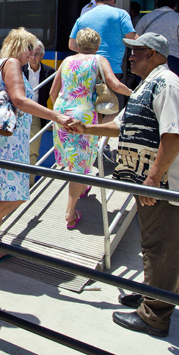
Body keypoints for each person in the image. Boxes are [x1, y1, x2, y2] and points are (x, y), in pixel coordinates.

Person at [71, 32, 179, 338]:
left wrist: (151, 181)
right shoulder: (148, 84)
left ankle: (155, 316)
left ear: (153, 54)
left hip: (164, 187)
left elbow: (172, 136)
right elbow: (121, 126)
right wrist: (86, 128)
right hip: (151, 184)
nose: (130, 57)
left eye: (136, 52)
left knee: (161, 248)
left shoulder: (167, 85)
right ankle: (150, 294)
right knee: (151, 244)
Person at [0, 29, 71, 265]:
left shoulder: (0, 63)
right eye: (30, 48)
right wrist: (56, 116)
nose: (33, 54)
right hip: (8, 145)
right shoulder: (12, 63)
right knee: (19, 195)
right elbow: (20, 100)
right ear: (21, 47)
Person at [50, 28, 131, 228]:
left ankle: (84, 185)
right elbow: (114, 84)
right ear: (97, 45)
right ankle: (70, 213)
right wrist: (134, 93)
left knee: (75, 157)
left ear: (78, 44)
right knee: (79, 164)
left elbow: (53, 91)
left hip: (61, 112)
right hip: (83, 115)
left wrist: (61, 110)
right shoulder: (98, 60)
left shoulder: (66, 61)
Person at [69, 0, 136, 108]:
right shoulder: (121, 14)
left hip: (87, 70)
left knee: (91, 109)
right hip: (112, 71)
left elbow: (72, 45)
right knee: (112, 110)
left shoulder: (83, 17)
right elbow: (132, 39)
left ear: (95, 0)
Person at [136, 0, 179, 80]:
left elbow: (136, 37)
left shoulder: (146, 17)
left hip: (147, 57)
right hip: (172, 59)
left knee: (146, 86)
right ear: (174, 4)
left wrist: (135, 54)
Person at [23, 40, 56, 166]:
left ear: (42, 55)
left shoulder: (50, 73)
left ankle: (30, 178)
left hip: (36, 115)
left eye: (36, 54)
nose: (33, 58)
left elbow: (54, 94)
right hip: (19, 114)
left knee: (33, 151)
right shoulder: (19, 70)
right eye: (30, 54)